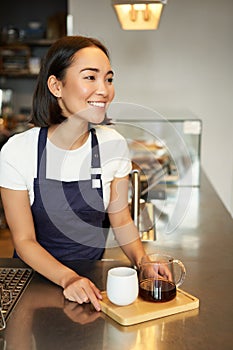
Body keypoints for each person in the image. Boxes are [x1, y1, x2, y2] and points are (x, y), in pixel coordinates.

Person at [0, 35, 148, 311]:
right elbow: (23, 240)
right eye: (90, 78)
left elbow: (120, 218)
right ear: (56, 85)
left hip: (91, 282)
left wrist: (144, 262)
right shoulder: (18, 151)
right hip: (33, 282)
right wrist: (68, 278)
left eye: (109, 79)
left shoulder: (112, 144)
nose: (104, 90)